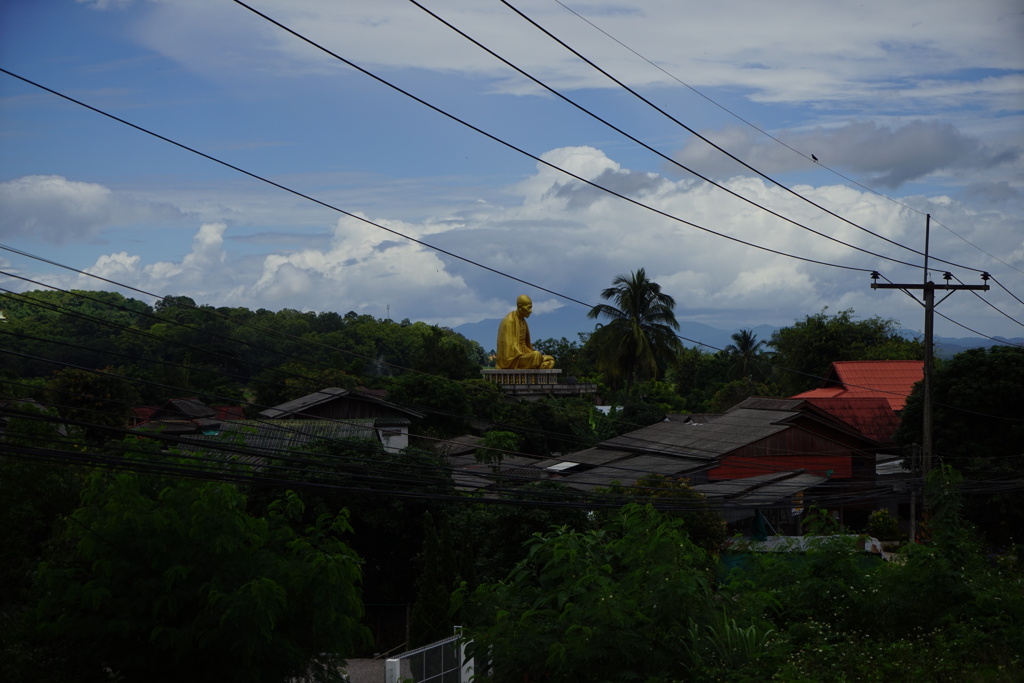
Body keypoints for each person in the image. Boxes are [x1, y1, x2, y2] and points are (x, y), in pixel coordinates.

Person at [496, 295, 555, 369]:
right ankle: (537, 363)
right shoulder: (509, 321)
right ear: (520, 307)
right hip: (513, 359)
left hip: (523, 355)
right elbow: (510, 349)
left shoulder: (523, 321)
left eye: (531, 307)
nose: (531, 311)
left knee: (550, 358)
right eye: (528, 308)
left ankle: (537, 362)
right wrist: (532, 355)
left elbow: (525, 345)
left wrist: (530, 354)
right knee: (536, 355)